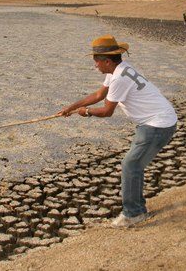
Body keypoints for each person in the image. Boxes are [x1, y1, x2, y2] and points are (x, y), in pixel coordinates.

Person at [56, 34, 177, 227]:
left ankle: (133, 214)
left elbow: (106, 111)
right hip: (155, 122)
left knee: (130, 165)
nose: (95, 65)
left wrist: (85, 112)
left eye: (96, 61)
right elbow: (99, 94)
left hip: (157, 125)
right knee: (134, 165)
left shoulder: (119, 77)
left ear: (106, 61)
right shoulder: (118, 70)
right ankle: (137, 210)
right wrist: (71, 107)